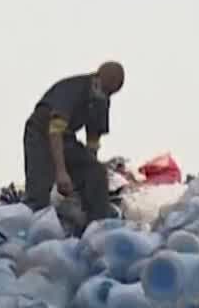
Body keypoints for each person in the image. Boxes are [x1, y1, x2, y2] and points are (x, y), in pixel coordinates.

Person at [23, 62, 124, 224]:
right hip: (41, 133)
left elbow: (93, 139)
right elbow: (55, 130)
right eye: (105, 90)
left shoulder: (102, 99)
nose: (106, 95)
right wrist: (61, 172)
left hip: (66, 137)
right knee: (40, 191)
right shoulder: (73, 89)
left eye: (110, 93)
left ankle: (96, 226)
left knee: (96, 172)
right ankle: (35, 226)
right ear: (96, 78)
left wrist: (85, 175)